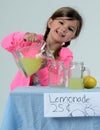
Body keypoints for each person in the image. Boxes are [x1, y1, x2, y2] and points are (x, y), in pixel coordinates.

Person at [1, 7, 83, 91]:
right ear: (50, 23)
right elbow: (5, 43)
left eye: (70, 29)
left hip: (45, 97)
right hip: (22, 93)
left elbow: (55, 84)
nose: (64, 29)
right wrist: (24, 36)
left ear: (73, 37)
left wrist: (42, 68)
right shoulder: (35, 41)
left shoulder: (66, 55)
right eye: (61, 23)